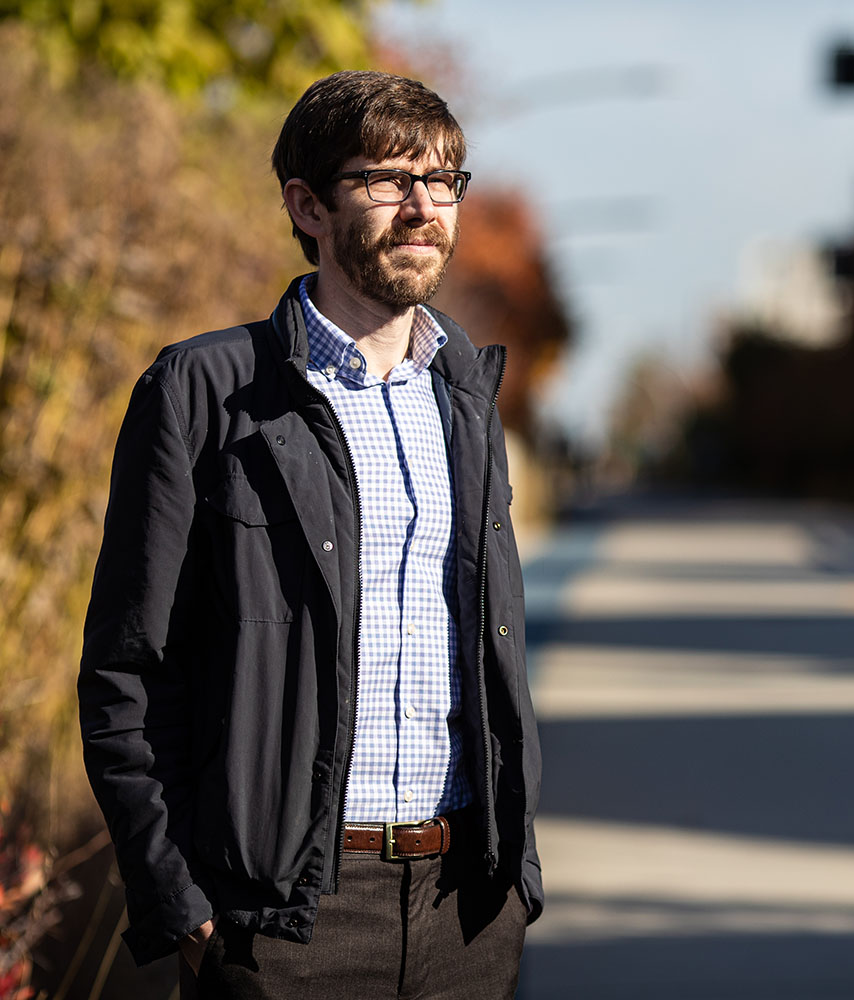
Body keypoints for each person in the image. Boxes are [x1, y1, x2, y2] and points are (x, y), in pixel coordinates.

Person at [78, 70, 542, 1000]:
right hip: (283, 920)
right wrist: (181, 897)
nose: (423, 208)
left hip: (466, 909)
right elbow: (128, 672)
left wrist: (515, 876)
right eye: (386, 180)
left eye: (442, 181)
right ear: (307, 204)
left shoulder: (464, 399)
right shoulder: (206, 393)